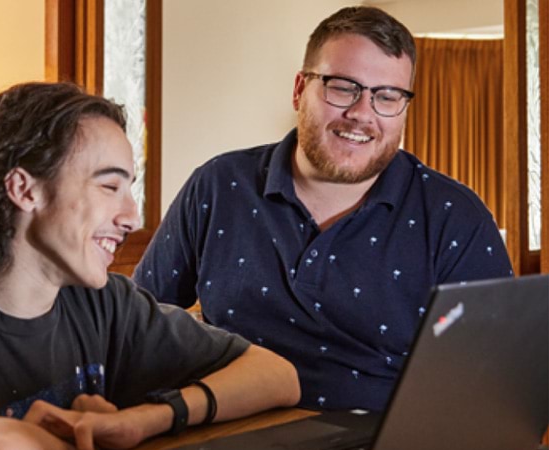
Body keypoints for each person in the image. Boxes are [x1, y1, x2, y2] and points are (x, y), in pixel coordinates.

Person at [0, 82, 300, 450]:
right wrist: (82, 435)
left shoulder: (105, 302)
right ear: (24, 189)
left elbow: (278, 377)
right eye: (109, 186)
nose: (130, 216)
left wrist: (145, 420)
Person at [133, 6, 512, 413]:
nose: (362, 114)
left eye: (386, 96)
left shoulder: (456, 217)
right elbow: (136, 328)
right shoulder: (218, 185)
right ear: (299, 89)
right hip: (221, 434)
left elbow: (495, 386)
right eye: (342, 87)